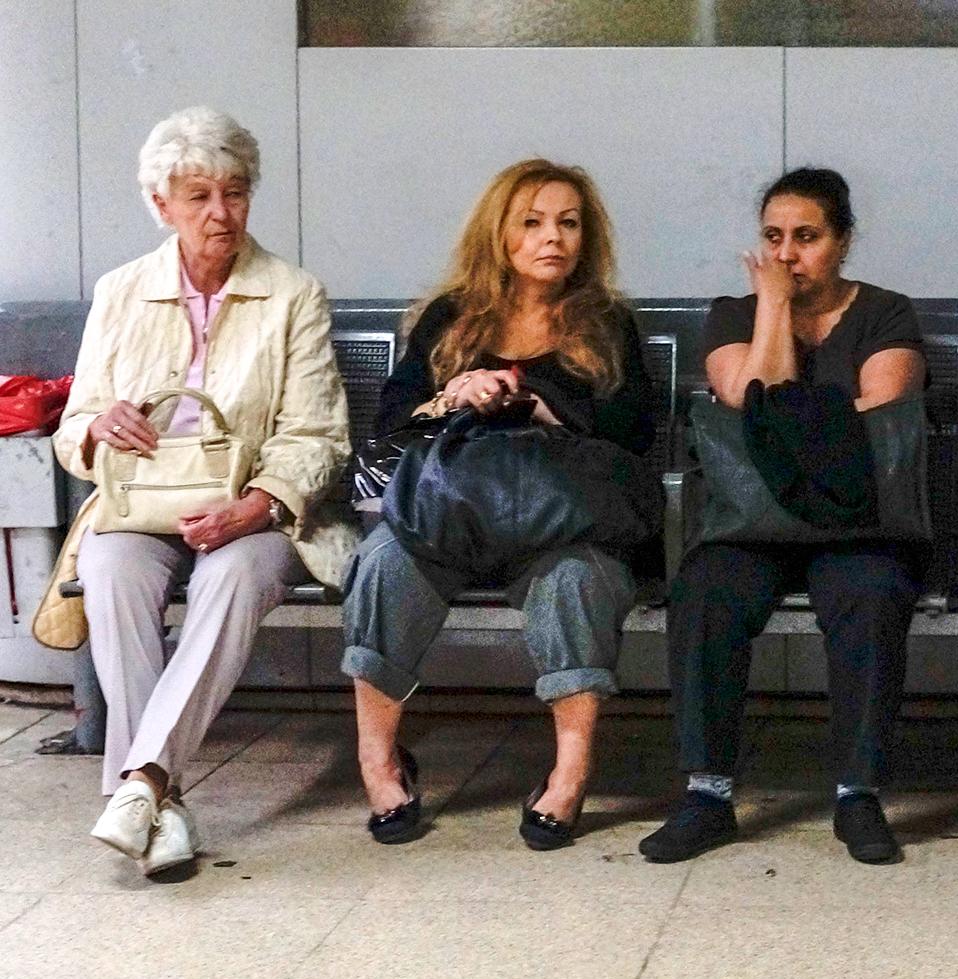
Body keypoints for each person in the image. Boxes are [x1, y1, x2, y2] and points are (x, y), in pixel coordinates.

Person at [53, 107, 353, 876]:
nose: (221, 213)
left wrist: (256, 503)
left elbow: (317, 434)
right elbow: (73, 425)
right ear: (162, 206)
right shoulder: (120, 292)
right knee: (113, 571)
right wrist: (96, 427)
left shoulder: (292, 294)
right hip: (139, 505)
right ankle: (163, 800)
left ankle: (140, 782)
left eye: (236, 192)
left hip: (257, 511)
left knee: (231, 574)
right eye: (198, 196)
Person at [342, 159, 654, 850]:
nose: (554, 239)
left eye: (569, 223)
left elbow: (636, 436)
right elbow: (391, 426)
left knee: (577, 579)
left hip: (561, 517)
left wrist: (544, 404)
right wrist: (456, 392)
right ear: (500, 234)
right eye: (534, 223)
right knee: (384, 562)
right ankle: (381, 762)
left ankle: (569, 775)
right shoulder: (450, 319)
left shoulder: (605, 324)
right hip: (448, 511)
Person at [639, 168, 925, 866]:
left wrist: (774, 419)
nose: (788, 254)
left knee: (871, 592)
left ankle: (857, 792)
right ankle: (707, 793)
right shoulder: (733, 313)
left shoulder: (887, 313)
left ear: (844, 241)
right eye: (773, 238)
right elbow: (748, 395)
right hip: (752, 519)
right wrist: (772, 310)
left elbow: (884, 409)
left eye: (807, 237)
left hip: (857, 517)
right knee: (704, 590)